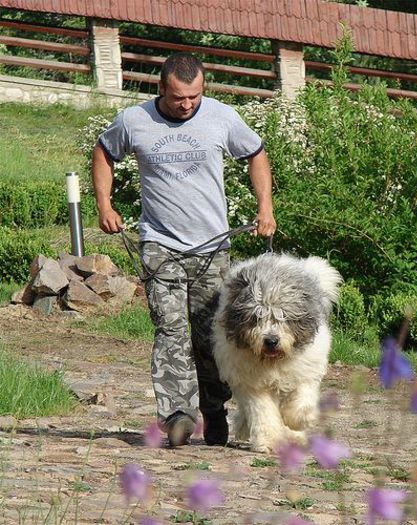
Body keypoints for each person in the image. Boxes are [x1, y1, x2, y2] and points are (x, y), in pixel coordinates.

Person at [92, 52, 276, 447]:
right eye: (178, 98)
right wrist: (105, 205)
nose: (187, 105)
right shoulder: (134, 121)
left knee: (212, 335)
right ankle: (177, 415)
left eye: (194, 97)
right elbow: (104, 152)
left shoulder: (222, 117)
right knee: (170, 329)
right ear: (161, 88)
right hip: (160, 244)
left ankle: (214, 409)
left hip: (212, 247)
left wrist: (265, 208)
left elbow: (256, 154)